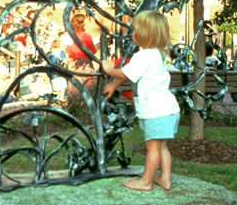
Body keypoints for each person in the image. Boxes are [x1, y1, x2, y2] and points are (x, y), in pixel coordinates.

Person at [101, 10, 180, 191]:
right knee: (162, 147)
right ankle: (165, 179)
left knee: (152, 147)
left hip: (156, 112)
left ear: (145, 36)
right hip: (167, 110)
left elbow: (124, 72)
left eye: (135, 31)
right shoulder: (156, 53)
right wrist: (113, 86)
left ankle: (145, 182)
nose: (132, 34)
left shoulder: (143, 56)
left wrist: (109, 69)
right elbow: (132, 72)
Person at [66, 13, 97, 94]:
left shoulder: (70, 35)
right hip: (84, 63)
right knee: (88, 85)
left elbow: (68, 50)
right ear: (82, 23)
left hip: (73, 63)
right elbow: (93, 51)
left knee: (75, 86)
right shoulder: (86, 36)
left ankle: (75, 104)